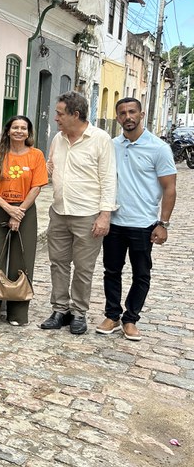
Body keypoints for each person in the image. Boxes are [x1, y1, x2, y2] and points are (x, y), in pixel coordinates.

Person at [97, 98, 176, 341]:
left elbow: (169, 188)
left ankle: (131, 319)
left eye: (132, 112)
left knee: (141, 273)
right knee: (112, 270)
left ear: (141, 114)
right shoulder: (112, 146)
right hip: (115, 221)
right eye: (122, 113)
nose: (128, 116)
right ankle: (112, 315)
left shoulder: (159, 148)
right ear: (117, 117)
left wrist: (163, 223)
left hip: (143, 223)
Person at [41, 91, 116, 335]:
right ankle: (60, 310)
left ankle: (79, 312)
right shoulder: (58, 139)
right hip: (59, 211)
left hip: (88, 214)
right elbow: (50, 168)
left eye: (60, 114)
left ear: (75, 114)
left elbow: (108, 179)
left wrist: (105, 215)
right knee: (58, 263)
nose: (56, 118)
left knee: (84, 267)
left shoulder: (100, 139)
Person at [0, 117, 47, 328]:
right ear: (8, 131)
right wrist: (8, 208)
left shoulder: (36, 155)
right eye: (15, 127)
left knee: (21, 260)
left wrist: (18, 211)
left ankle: (17, 313)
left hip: (25, 210)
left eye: (24, 128)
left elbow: (37, 186)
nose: (19, 131)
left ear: (28, 132)